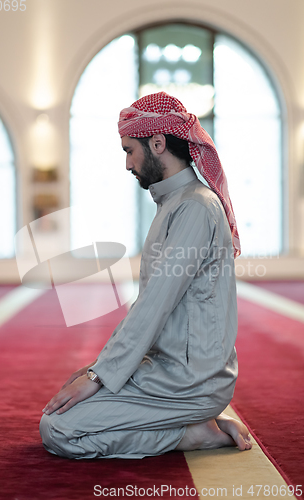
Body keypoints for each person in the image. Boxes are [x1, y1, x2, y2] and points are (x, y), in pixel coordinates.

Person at [39, 92, 252, 459]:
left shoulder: (195, 208)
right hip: (166, 368)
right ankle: (194, 423)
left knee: (59, 429)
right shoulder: (175, 203)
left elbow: (154, 304)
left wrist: (99, 377)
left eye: (128, 150)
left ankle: (191, 433)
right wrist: (97, 369)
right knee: (68, 403)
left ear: (157, 143)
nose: (127, 164)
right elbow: (151, 302)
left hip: (190, 381)